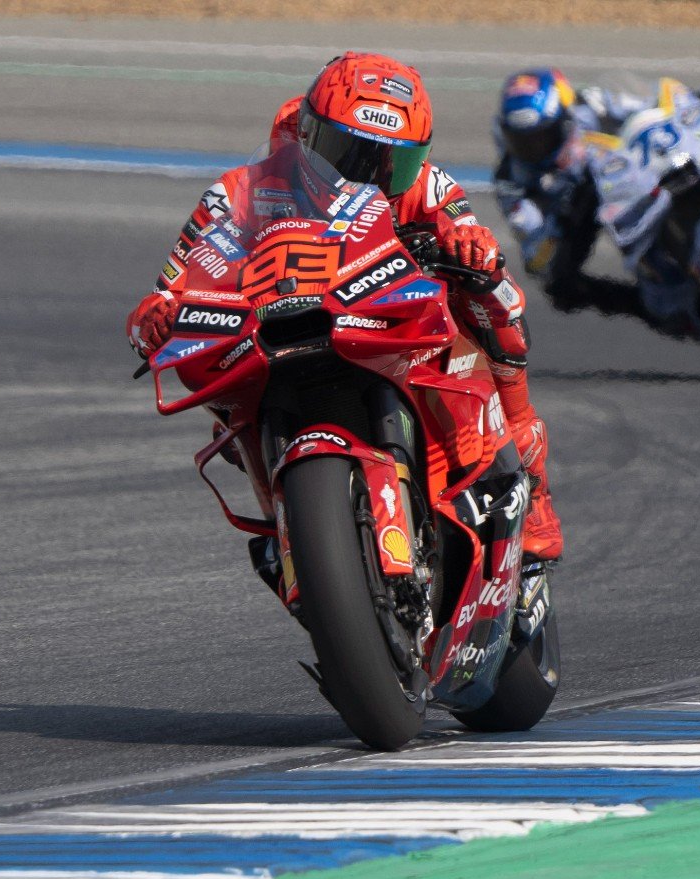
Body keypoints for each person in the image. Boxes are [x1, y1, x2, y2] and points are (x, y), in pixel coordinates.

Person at [127, 52, 562, 561]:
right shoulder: (239, 190)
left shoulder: (426, 184)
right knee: (221, 405)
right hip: (283, 325)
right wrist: (154, 320)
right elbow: (169, 289)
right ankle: (289, 525)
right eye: (346, 154)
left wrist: (471, 246)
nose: (369, 173)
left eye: (390, 161)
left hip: (385, 310)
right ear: (308, 135)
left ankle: (534, 493)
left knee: (500, 304)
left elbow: (464, 227)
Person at [491, 68, 700, 334]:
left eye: (544, 135)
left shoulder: (593, 105)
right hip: (579, 217)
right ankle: (659, 310)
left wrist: (697, 101)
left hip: (638, 173)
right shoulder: (511, 179)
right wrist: (561, 221)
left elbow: (652, 104)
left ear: (565, 117)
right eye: (522, 140)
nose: (534, 147)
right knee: (561, 288)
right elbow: (535, 253)